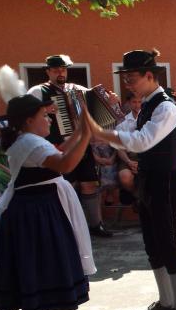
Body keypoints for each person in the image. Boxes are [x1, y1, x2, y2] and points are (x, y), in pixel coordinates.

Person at [0, 94, 98, 310]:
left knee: (38, 264)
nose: (49, 119)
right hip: (32, 214)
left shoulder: (30, 140)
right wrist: (86, 135)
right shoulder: (29, 142)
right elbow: (65, 164)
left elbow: (58, 152)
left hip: (37, 209)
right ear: (29, 120)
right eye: (44, 115)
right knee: (33, 266)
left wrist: (83, 130)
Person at [96, 50, 176, 310]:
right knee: (152, 245)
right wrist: (110, 116)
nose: (127, 84)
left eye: (131, 78)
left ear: (150, 76)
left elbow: (140, 142)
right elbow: (122, 132)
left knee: (167, 245)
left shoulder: (166, 107)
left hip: (164, 182)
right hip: (148, 182)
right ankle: (165, 301)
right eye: (125, 78)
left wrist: (103, 133)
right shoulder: (147, 105)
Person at [27, 54, 113, 237]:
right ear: (48, 71)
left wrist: (110, 102)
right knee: (66, 186)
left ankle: (95, 224)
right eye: (56, 69)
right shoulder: (37, 91)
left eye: (63, 69)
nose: (61, 73)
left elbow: (96, 106)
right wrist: (44, 109)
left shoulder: (77, 89)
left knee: (89, 183)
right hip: (57, 145)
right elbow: (26, 112)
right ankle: (65, 226)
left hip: (81, 144)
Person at [114, 92, 141, 201]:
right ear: (129, 103)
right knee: (125, 177)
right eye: (134, 102)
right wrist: (129, 162)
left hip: (146, 156)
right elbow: (119, 148)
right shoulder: (122, 123)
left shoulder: (150, 120)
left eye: (140, 102)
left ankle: (141, 200)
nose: (137, 105)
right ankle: (138, 197)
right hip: (128, 156)